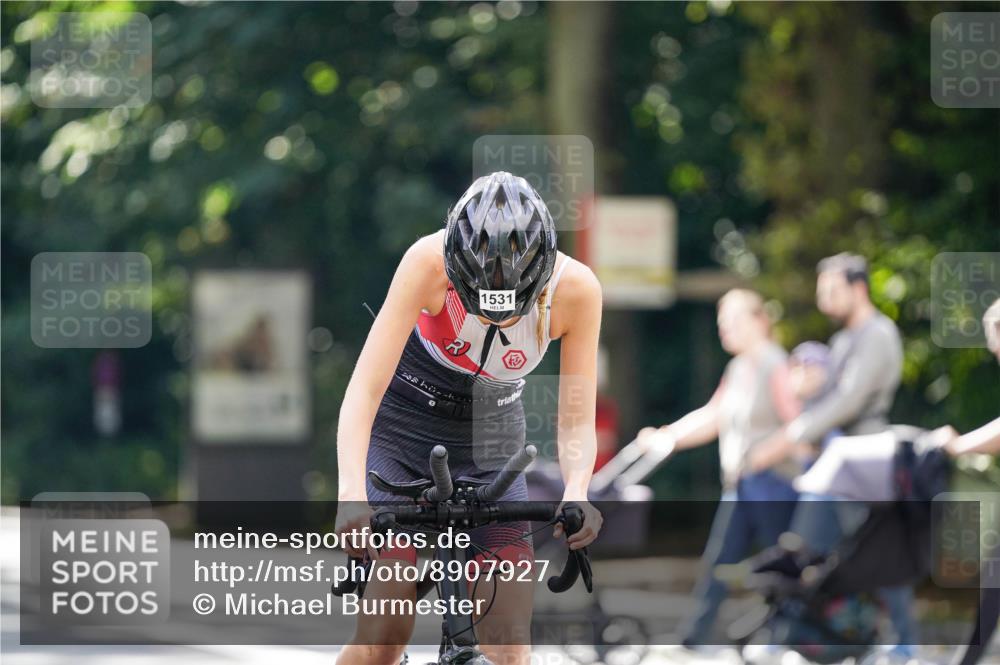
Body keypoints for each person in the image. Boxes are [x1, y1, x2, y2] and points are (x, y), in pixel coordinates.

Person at [333, 172, 604, 665]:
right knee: (384, 637)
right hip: (402, 437)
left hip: (492, 447)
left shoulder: (578, 289)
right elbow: (364, 392)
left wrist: (578, 491)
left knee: (509, 644)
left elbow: (575, 417)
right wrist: (350, 494)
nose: (497, 321)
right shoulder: (426, 261)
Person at [748, 253, 914, 664]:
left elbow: (852, 399)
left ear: (858, 288)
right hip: (835, 459)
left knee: (877, 550)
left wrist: (798, 432)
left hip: (867, 457)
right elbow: (829, 398)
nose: (824, 299)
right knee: (813, 548)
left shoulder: (878, 333)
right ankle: (795, 634)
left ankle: (904, 641)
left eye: (831, 289)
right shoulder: (841, 341)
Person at [637, 288, 800, 648]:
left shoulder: (775, 364)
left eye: (733, 321)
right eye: (721, 323)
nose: (724, 329)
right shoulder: (738, 368)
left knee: (780, 564)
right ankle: (695, 637)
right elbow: (713, 416)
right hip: (741, 484)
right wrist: (670, 436)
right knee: (719, 561)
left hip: (772, 483)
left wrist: (768, 453)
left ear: (759, 321)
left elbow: (800, 425)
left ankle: (789, 638)